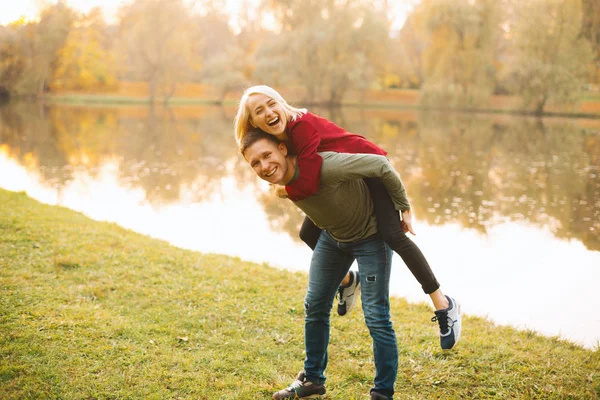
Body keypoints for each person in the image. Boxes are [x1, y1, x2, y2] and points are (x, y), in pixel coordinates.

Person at [234, 85, 461, 350]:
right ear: (254, 122)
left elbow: (307, 183)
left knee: (393, 235)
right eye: (259, 111)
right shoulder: (278, 139)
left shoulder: (301, 127)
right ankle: (349, 280)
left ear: (282, 102)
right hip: (349, 180)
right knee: (308, 233)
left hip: (372, 171)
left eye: (272, 104)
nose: (269, 112)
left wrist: (404, 206)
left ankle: (444, 304)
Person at [241, 130, 412, 399]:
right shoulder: (282, 183)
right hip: (333, 237)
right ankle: (312, 380)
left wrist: (404, 207)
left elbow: (380, 165)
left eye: (267, 155)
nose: (263, 166)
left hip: (372, 239)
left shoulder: (326, 166)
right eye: (255, 163)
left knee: (377, 317)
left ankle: (382, 393)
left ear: (283, 149)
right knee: (315, 304)